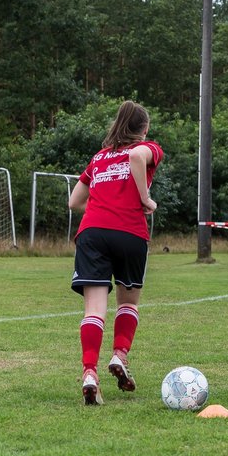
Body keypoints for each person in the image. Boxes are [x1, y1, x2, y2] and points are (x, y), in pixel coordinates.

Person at [67, 101, 164, 405]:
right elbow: (137, 155)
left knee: (94, 309)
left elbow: (74, 202)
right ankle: (120, 355)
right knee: (128, 301)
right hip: (129, 232)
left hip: (92, 232)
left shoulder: (99, 158)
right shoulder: (149, 147)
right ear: (144, 129)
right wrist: (145, 198)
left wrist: (100, 210)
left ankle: (89, 373)